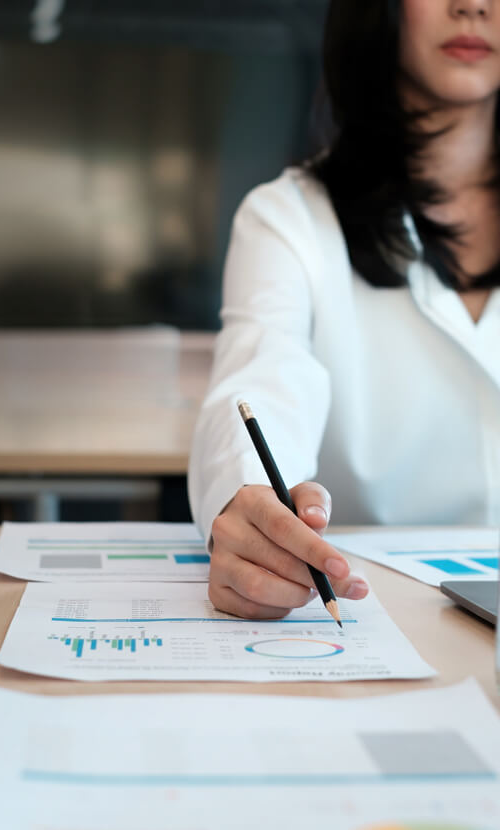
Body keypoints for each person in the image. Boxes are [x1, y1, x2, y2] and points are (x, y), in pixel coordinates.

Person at [188, 0, 500, 619]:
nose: (473, 5)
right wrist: (250, 504)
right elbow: (260, 379)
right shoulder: (291, 218)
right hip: (380, 614)